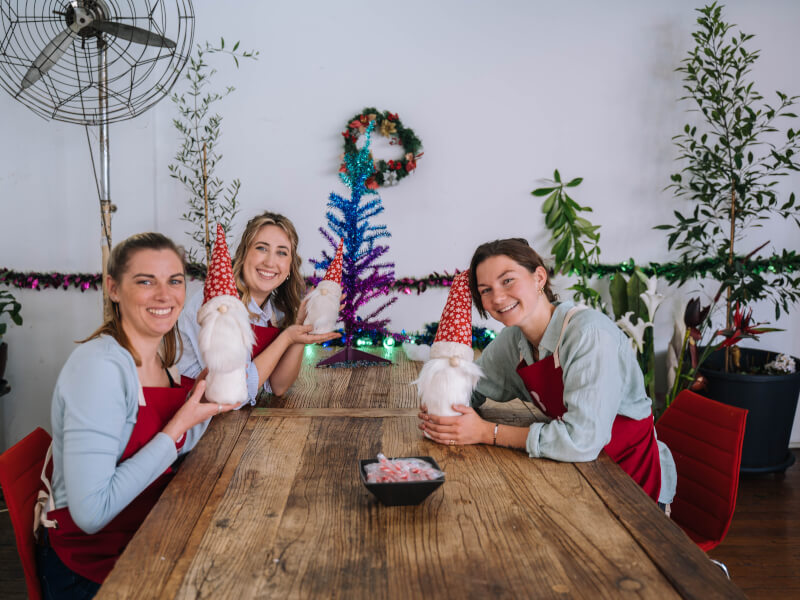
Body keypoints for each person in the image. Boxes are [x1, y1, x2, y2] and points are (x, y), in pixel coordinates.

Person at [36, 233, 234, 599]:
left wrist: (205, 404)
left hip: (151, 531)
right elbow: (93, 514)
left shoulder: (161, 358)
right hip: (97, 566)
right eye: (146, 281)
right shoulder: (99, 369)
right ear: (113, 288)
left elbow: (169, 442)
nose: (165, 295)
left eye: (174, 281)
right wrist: (178, 425)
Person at [418, 238, 676, 506]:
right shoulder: (513, 341)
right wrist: (442, 402)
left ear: (539, 277)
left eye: (507, 281)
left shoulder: (589, 335)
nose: (497, 297)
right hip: (573, 475)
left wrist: (486, 432)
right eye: (485, 290)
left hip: (631, 484)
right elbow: (472, 388)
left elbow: (582, 440)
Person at [178, 211, 338, 402]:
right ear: (244, 254)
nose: (270, 262)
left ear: (289, 266)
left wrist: (299, 331)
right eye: (262, 248)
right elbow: (232, 394)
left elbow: (277, 386)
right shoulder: (218, 305)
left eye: (281, 252)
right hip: (189, 410)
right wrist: (286, 338)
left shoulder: (275, 310)